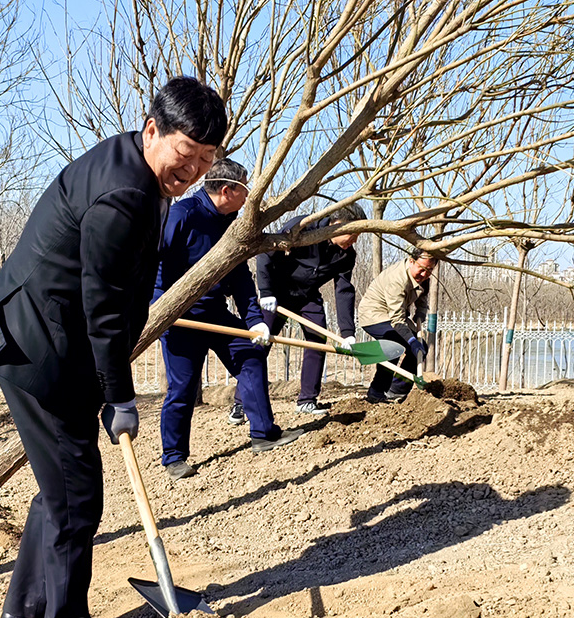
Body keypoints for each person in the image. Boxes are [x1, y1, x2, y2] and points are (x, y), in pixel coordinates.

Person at [0, 77, 227, 618]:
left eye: (206, 161)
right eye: (186, 155)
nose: (192, 172)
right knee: (77, 491)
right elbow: (102, 308)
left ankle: (29, 608)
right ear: (153, 130)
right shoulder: (123, 195)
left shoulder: (136, 167)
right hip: (41, 346)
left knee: (60, 483)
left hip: (53, 337)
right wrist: (120, 397)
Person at [154, 159, 302, 480]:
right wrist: (161, 311)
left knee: (250, 356)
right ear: (227, 190)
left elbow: (239, 276)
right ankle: (174, 457)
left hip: (215, 314)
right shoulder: (183, 215)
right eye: (245, 190)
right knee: (183, 387)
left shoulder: (231, 224)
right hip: (180, 319)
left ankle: (264, 433)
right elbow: (155, 267)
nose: (249, 198)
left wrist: (255, 320)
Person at [230, 203, 366, 419]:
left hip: (307, 296)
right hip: (276, 294)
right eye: (353, 234)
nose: (354, 241)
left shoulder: (346, 256)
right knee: (260, 342)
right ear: (338, 224)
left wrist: (348, 332)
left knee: (317, 341)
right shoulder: (303, 227)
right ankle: (241, 402)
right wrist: (266, 291)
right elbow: (266, 253)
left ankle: (307, 401)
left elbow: (343, 290)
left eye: (358, 236)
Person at [358, 248, 438, 403]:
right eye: (422, 269)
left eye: (429, 270)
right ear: (411, 261)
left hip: (393, 316)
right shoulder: (397, 279)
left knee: (421, 348)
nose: (425, 274)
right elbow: (397, 319)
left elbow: (422, 298)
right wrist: (411, 341)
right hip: (374, 314)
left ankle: (397, 390)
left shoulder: (424, 276)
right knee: (395, 346)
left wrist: (421, 313)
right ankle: (377, 391)